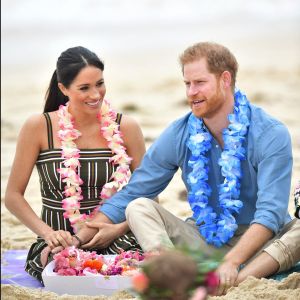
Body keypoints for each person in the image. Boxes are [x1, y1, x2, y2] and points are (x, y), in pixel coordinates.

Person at [66, 42, 299, 295]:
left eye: (199, 83)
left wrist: (231, 263)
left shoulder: (270, 133)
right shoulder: (181, 132)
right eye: (187, 83)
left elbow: (271, 214)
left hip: (265, 246)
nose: (191, 92)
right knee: (139, 207)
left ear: (225, 79)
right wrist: (78, 241)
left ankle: (235, 281)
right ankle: (169, 271)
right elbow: (135, 191)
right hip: (206, 240)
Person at [4, 46, 146, 283]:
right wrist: (48, 234)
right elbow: (12, 196)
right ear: (63, 88)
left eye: (100, 83)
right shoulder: (39, 127)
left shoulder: (126, 127)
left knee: (132, 265)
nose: (96, 95)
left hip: (114, 234)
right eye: (84, 88)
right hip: (58, 239)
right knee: (62, 265)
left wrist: (119, 228)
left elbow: (148, 194)